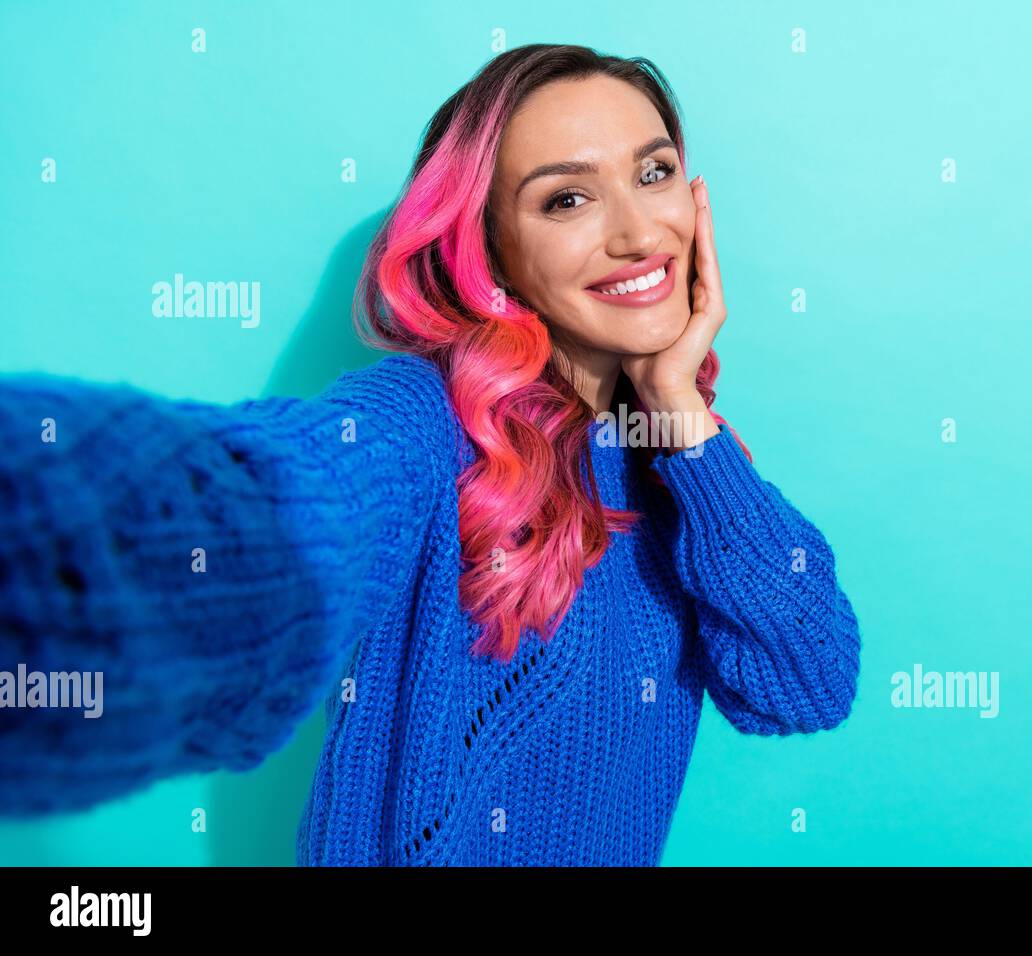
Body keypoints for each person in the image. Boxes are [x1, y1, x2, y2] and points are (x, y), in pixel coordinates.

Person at [0, 43, 861, 866]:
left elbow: (807, 684)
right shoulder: (423, 420)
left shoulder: (691, 462)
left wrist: (677, 409)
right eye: (566, 199)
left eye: (654, 172)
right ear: (493, 253)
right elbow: (268, 508)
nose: (640, 234)